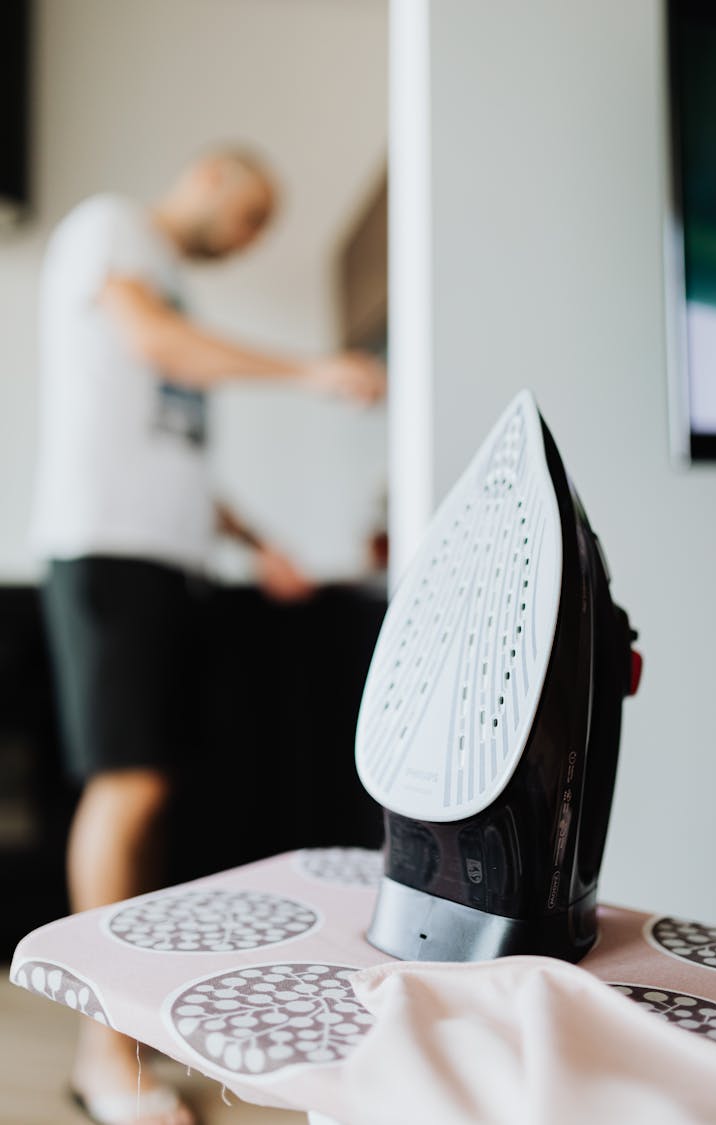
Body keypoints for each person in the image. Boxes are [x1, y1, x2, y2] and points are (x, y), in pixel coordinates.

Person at [30, 147, 385, 1125]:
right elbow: (160, 347)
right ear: (212, 174)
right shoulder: (114, 229)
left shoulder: (167, 274)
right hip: (108, 556)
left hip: (166, 563)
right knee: (128, 788)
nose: (253, 238)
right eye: (253, 214)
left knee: (156, 793)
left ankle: (127, 1041)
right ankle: (103, 1065)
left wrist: (257, 539)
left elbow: (169, 453)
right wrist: (315, 369)